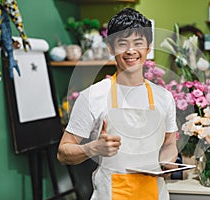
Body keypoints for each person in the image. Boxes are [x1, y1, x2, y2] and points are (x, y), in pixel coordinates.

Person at [57, 7, 178, 200]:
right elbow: (63, 153)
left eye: (138, 43)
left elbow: (170, 143)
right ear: (111, 48)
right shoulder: (92, 96)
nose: (131, 51)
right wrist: (93, 148)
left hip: (155, 194)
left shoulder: (164, 97)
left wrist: (167, 161)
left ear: (149, 47)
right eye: (123, 44)